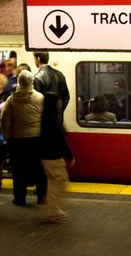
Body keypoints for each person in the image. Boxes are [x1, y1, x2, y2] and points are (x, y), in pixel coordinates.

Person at [0, 70, 45, 206]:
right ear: (32, 82)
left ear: (19, 82)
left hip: (18, 140)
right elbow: (45, 118)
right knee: (39, 169)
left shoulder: (11, 99)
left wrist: (8, 137)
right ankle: (42, 197)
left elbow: (4, 120)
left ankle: (20, 198)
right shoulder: (40, 98)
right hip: (36, 139)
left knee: (19, 170)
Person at [40, 92, 75, 222]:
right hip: (53, 155)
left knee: (52, 181)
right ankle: (52, 210)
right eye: (58, 101)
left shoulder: (44, 117)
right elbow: (60, 139)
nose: (60, 103)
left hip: (46, 155)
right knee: (61, 181)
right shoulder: (53, 120)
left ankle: (51, 207)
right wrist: (69, 155)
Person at [33, 51, 70, 122]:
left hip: (44, 121)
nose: (34, 62)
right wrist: (59, 111)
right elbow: (66, 97)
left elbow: (37, 102)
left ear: (38, 59)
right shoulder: (60, 74)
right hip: (58, 120)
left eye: (34, 59)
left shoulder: (37, 78)